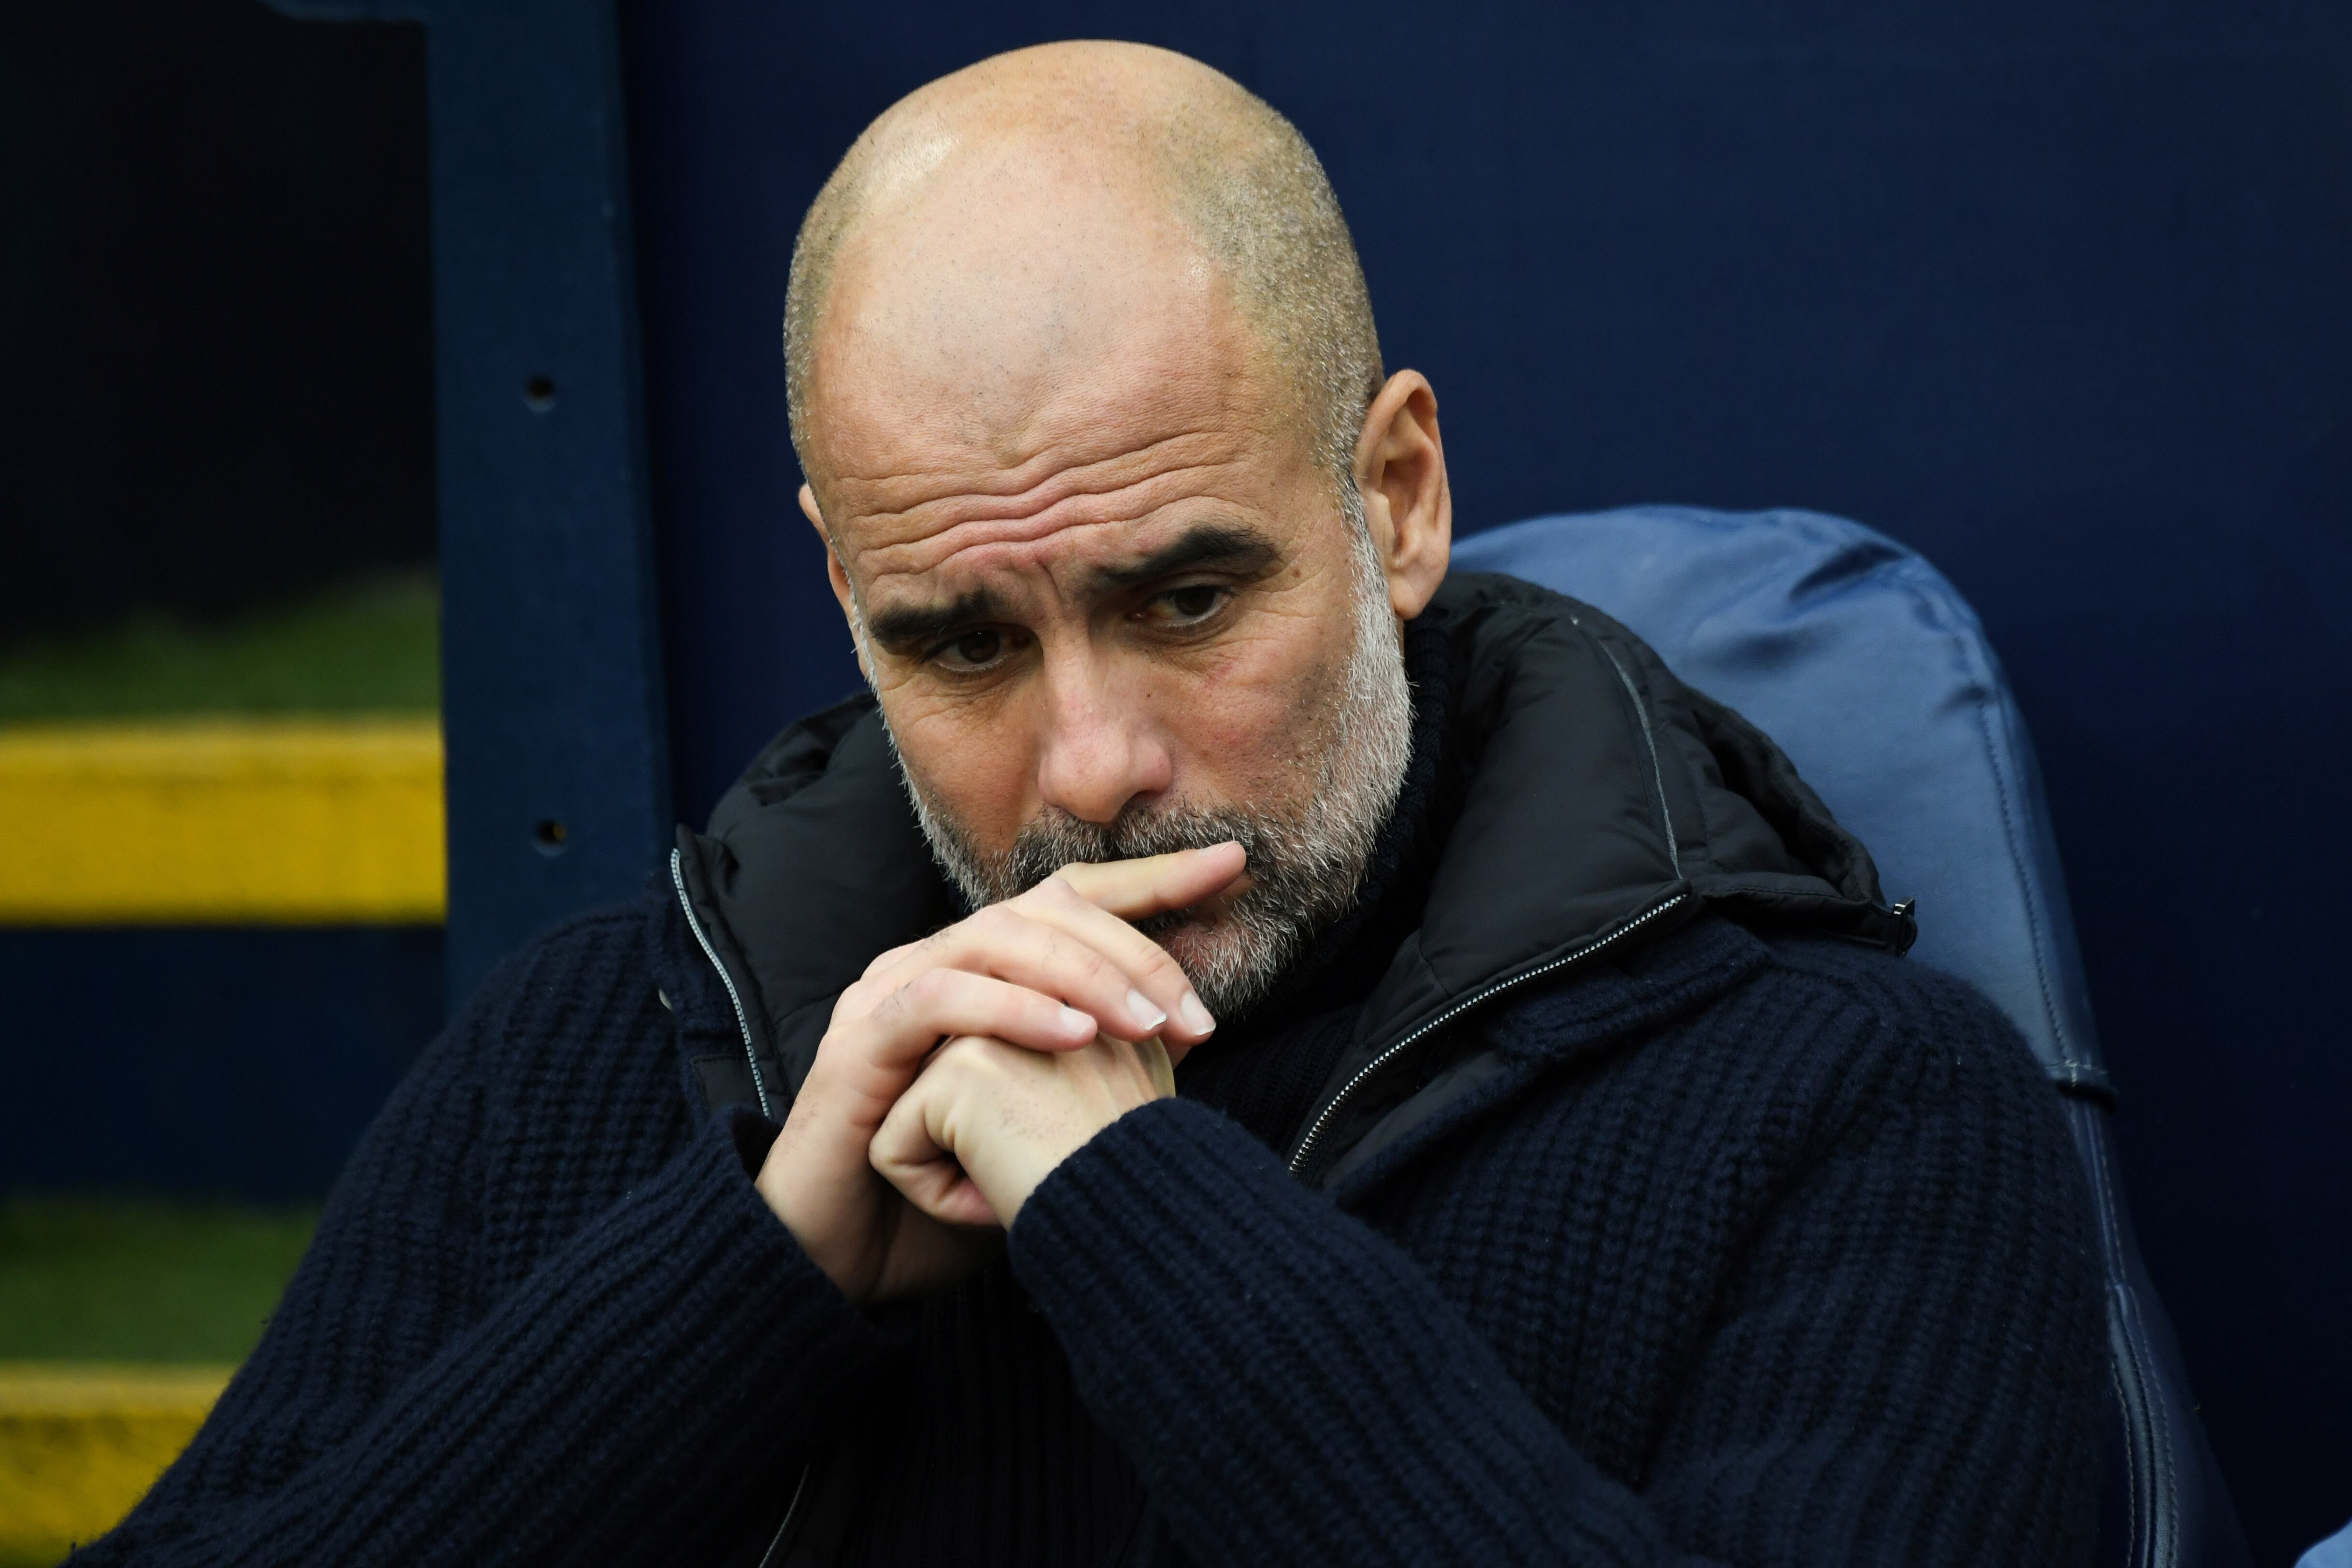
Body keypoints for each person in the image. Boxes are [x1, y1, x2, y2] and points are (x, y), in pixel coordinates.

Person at [82, 40, 2106, 1568]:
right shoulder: (597, 1068)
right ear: (842, 586)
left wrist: (1137, 1213)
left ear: (1394, 499)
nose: (1091, 765)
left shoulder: (1856, 1113)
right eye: (960, 642)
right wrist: (749, 1279)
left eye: (1188, 595)